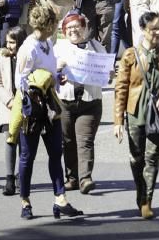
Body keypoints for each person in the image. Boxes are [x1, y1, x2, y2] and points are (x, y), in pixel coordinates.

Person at [11, 5, 83, 220]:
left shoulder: (47, 44)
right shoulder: (28, 47)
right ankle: (25, 201)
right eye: (55, 23)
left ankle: (60, 198)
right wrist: (36, 91)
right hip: (32, 107)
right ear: (48, 24)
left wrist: (56, 79)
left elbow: (50, 73)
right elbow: (20, 81)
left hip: (50, 105)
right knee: (27, 156)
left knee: (55, 152)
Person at [113, 12, 159, 219]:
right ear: (143, 30)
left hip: (157, 114)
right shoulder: (130, 55)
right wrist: (118, 120)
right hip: (135, 113)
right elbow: (121, 88)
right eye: (153, 29)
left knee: (152, 158)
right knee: (136, 159)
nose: (157, 32)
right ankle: (140, 193)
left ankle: (146, 201)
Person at [55, 11, 107, 194]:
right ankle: (72, 178)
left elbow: (107, 74)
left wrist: (108, 74)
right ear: (64, 30)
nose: (73, 30)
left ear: (84, 28)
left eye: (77, 26)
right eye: (69, 27)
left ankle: (85, 178)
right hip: (65, 102)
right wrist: (57, 72)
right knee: (68, 141)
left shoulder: (96, 47)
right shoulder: (58, 48)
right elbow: (51, 73)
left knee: (84, 141)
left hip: (89, 102)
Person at [0, 26, 26, 196]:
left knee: (24, 143)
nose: (9, 46)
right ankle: (9, 179)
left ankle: (22, 176)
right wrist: (9, 100)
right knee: (10, 141)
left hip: (25, 106)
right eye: (8, 42)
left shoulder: (27, 57)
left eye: (12, 42)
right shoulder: (2, 58)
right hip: (9, 107)